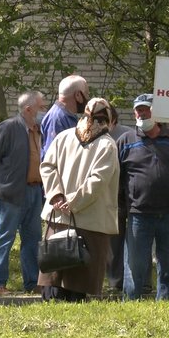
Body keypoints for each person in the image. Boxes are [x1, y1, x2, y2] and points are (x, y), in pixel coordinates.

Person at [117, 93, 169, 301]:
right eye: (138, 110)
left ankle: (166, 301)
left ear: (157, 113)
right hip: (138, 214)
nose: (142, 113)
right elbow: (116, 176)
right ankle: (131, 301)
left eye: (146, 109)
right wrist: (120, 208)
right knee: (135, 263)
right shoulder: (126, 140)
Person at [38, 98, 120, 301]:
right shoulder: (107, 145)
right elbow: (97, 182)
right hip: (89, 221)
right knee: (77, 283)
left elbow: (47, 167)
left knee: (56, 276)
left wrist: (57, 197)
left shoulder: (63, 137)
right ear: (110, 120)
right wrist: (70, 203)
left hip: (58, 216)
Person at [0, 91, 48, 296]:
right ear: (28, 109)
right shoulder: (9, 127)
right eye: (41, 107)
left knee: (33, 239)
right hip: (11, 194)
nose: (44, 110)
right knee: (4, 237)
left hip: (36, 191)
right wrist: (0, 183)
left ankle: (32, 282)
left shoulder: (39, 130)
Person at [105, 105, 137, 293]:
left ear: (114, 120)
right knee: (114, 241)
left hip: (130, 194)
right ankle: (115, 280)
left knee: (135, 238)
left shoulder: (127, 135)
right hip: (111, 196)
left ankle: (138, 279)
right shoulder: (95, 136)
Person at [41, 75, 89, 159]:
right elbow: (52, 158)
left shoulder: (65, 116)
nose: (87, 98)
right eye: (86, 93)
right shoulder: (57, 119)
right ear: (78, 95)